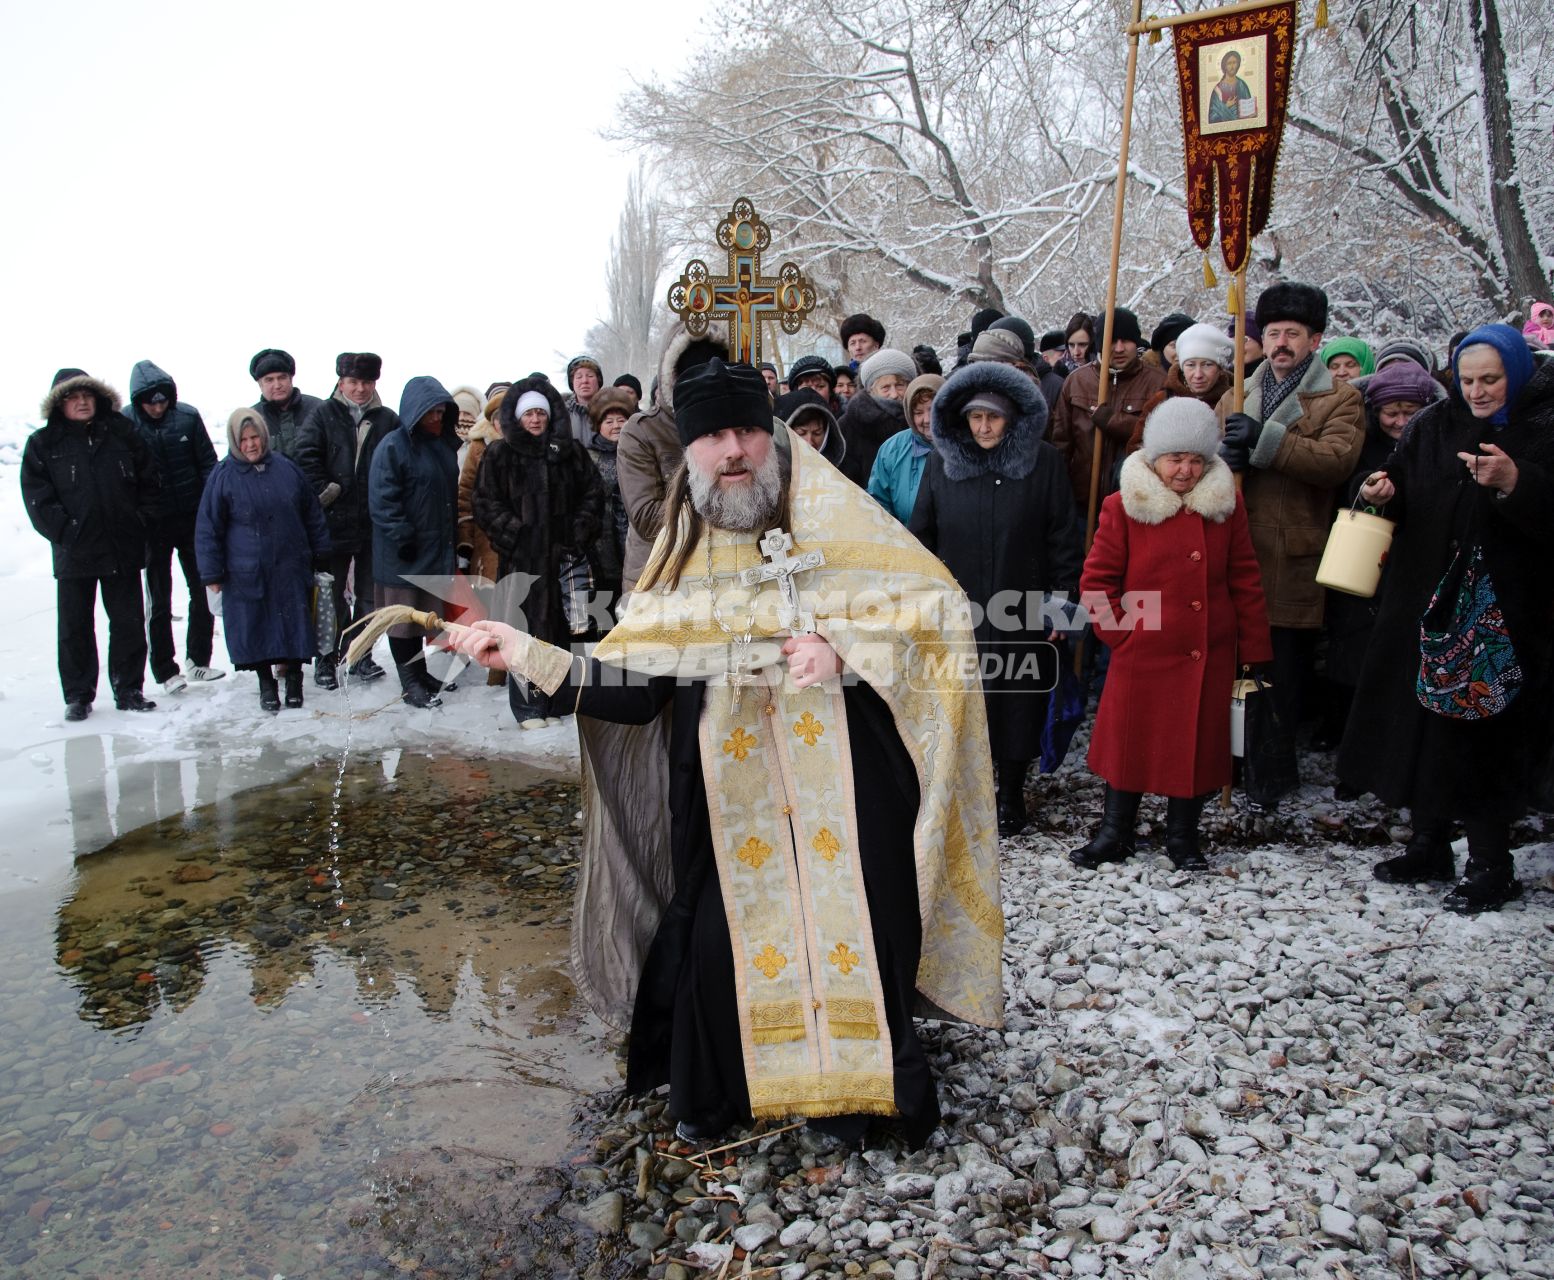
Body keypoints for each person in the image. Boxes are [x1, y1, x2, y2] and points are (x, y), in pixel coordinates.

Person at [453, 356, 1003, 1148]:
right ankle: (744, 1086)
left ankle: (862, 1096)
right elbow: (640, 683)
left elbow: (937, 613)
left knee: (865, 923)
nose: (733, 449)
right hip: (727, 793)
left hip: (852, 794)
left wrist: (845, 652)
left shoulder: (839, 519)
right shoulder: (679, 553)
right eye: (712, 436)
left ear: (772, 436)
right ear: (689, 451)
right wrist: (529, 653)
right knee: (719, 942)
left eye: (747, 429)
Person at [1341, 325, 1554, 913]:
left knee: (1484, 733)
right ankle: (1429, 843)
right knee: (1422, 723)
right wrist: (1381, 491)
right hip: (1425, 601)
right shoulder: (1432, 426)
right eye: (1467, 380)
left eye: (1491, 379)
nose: (1478, 391)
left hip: (1502, 611)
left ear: (1516, 372)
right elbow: (1405, 488)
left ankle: (1491, 862)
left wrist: (1516, 483)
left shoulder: (1544, 426)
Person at [1071, 399, 1272, 870]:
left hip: (1208, 650)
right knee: (1129, 743)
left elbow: (1245, 577)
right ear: (1154, 457)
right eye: (1175, 458)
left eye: (1195, 459)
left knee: (1198, 745)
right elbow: (1096, 582)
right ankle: (1114, 832)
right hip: (1142, 649)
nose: (1185, 470)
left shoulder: (1226, 505)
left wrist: (1254, 650)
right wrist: (1122, 636)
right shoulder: (1123, 506)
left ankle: (1184, 838)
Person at [910, 361, 1083, 835]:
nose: (983, 426)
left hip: (1021, 605)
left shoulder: (1043, 463)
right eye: (974, 417)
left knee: (1018, 702)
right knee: (963, 702)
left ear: (1012, 418)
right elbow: (921, 536)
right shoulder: (940, 465)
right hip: (960, 610)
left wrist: (1062, 605)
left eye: (994, 417)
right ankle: (966, 793)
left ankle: (1010, 795)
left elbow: (1064, 538)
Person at [1218, 283, 1364, 782]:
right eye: (1274, 332)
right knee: (1232, 667)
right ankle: (1231, 766)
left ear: (1315, 339)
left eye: (1293, 334)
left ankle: (1273, 771)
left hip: (1291, 557)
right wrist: (1220, 459)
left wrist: (1266, 442)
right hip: (1236, 553)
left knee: (1279, 672)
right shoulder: (1238, 389)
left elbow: (1336, 462)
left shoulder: (1339, 399)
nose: (1281, 343)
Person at [1313, 359, 1444, 750]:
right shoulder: (1364, 442)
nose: (1400, 421)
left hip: (1417, 556)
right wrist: (1366, 491)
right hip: (1362, 556)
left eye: (1410, 412)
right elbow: (1344, 486)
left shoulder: (1436, 442)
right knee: (1350, 648)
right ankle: (1340, 728)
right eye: (1391, 412)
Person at [22, 370, 159, 720]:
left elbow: (149, 482)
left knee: (128, 623)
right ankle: (79, 695)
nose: (82, 402)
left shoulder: (121, 433)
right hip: (74, 551)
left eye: (87, 395)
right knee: (75, 627)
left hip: (121, 545)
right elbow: (38, 499)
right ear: (59, 403)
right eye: (73, 397)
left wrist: (138, 523)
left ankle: (128, 689)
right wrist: (67, 533)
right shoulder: (43, 443)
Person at [471, 375, 603, 726]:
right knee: (522, 631)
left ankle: (558, 701)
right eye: (528, 413)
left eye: (540, 413)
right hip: (521, 562)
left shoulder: (570, 453)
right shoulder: (499, 454)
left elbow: (593, 494)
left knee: (563, 634)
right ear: (517, 416)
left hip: (563, 559)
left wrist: (577, 531)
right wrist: (516, 535)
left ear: (550, 415)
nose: (534, 419)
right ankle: (528, 707)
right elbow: (485, 502)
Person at [196, 409, 332, 712]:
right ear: (234, 441)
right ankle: (266, 684)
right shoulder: (223, 475)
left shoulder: (285, 468)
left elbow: (311, 512)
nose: (251, 444)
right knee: (255, 628)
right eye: (243, 439)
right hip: (245, 571)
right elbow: (208, 528)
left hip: (290, 565)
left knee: (295, 625)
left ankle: (294, 679)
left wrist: (321, 550)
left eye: (255, 437)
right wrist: (212, 573)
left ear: (264, 436)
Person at [294, 352, 401, 688]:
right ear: (340, 382)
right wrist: (328, 491)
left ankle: (360, 655)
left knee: (370, 595)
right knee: (331, 595)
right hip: (333, 523)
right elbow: (305, 455)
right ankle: (326, 659)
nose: (359, 389)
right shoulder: (323, 414)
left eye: (366, 382)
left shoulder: (387, 419)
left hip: (373, 524)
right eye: (353, 382)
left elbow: (399, 463)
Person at [122, 359, 223, 694]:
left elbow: (208, 464)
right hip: (153, 525)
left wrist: (210, 509)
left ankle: (199, 661)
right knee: (159, 598)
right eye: (150, 401)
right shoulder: (126, 424)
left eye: (162, 399)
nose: (157, 406)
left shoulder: (188, 418)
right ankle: (166, 670)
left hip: (192, 518)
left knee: (203, 590)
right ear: (139, 401)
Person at [369, 377, 462, 708]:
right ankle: (409, 682)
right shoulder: (393, 447)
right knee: (403, 621)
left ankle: (421, 673)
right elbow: (383, 500)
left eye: (440, 412)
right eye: (429, 413)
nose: (436, 419)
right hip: (402, 554)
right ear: (413, 413)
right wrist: (401, 536)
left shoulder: (442, 446)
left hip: (434, 551)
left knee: (422, 617)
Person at [617, 325, 730, 593]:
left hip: (722, 573)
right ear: (672, 378)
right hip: (658, 575)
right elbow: (646, 517)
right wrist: (728, 507)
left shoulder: (736, 431)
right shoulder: (642, 430)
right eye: (692, 375)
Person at [1049, 307, 1168, 509]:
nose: (1119, 348)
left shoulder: (1157, 383)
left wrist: (1114, 421)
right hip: (1081, 504)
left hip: (1135, 504)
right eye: (1112, 340)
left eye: (1126, 340)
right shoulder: (1077, 382)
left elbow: (1162, 439)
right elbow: (1061, 444)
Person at [1125, 322, 1235, 455]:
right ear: (1182, 367)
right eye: (1191, 365)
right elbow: (1137, 448)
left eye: (1207, 365)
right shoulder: (1163, 399)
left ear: (1219, 369)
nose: (1198, 374)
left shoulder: (1232, 401)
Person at [586, 386, 637, 612]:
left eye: (621, 419)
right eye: (609, 421)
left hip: (635, 536)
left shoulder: (639, 451)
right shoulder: (588, 456)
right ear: (598, 425)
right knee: (605, 605)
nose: (616, 425)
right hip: (600, 542)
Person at [868, 372, 942, 524]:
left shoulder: (965, 446)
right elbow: (879, 505)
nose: (927, 420)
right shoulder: (891, 449)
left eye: (933, 410)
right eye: (918, 412)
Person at [837, 348, 914, 483]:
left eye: (900, 385)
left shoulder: (921, 419)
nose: (894, 394)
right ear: (870, 390)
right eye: (885, 387)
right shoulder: (849, 425)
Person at [249, 348, 323, 460]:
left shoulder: (319, 410)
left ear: (291, 379)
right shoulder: (251, 418)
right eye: (269, 380)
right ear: (260, 384)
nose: (277, 385)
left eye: (282, 378)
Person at [773, 388, 849, 476]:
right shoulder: (769, 473)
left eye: (817, 433)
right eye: (801, 433)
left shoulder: (843, 473)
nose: (809, 442)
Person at [563, 355, 604, 444]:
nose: (584, 381)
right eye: (579, 377)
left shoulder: (611, 411)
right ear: (572, 383)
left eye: (590, 375)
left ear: (598, 381)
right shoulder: (561, 414)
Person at [1208, 49, 1253, 124]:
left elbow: (1249, 111)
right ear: (1225, 66)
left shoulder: (1242, 85)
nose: (1232, 66)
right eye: (1229, 63)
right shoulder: (1217, 89)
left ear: (1238, 64)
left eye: (1234, 63)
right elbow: (1212, 118)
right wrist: (1226, 106)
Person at [450, 386, 483, 463]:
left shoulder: (484, 447)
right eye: (457, 413)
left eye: (467, 413)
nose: (461, 418)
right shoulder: (441, 445)